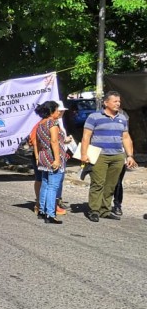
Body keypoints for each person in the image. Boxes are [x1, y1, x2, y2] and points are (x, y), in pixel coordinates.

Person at [80, 91, 136, 222]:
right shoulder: (94, 117)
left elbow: (126, 137)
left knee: (111, 185)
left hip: (117, 156)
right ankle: (94, 210)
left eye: (119, 101)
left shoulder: (122, 118)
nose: (118, 104)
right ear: (106, 103)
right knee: (97, 183)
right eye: (115, 101)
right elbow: (86, 136)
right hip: (99, 155)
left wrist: (130, 155)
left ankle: (105, 210)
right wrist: (83, 154)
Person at [35, 101, 68, 224]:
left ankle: (42, 210)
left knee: (45, 183)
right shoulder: (52, 123)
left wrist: (38, 156)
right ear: (51, 111)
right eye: (57, 109)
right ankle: (50, 214)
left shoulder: (40, 124)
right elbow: (54, 141)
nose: (58, 112)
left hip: (44, 155)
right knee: (53, 186)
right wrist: (57, 159)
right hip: (53, 156)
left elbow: (38, 142)